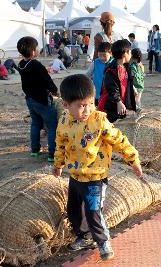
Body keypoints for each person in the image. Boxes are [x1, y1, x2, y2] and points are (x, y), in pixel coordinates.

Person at [52, 74, 142, 261]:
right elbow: (60, 143)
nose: (87, 110)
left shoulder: (99, 121)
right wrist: (58, 164)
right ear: (66, 104)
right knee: (74, 210)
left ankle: (103, 241)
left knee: (94, 212)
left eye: (90, 103)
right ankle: (84, 236)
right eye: (81, 105)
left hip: (95, 177)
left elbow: (119, 140)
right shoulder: (63, 121)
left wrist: (133, 159)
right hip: (75, 176)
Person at [17, 36, 58, 162]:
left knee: (35, 123)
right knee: (52, 126)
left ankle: (35, 150)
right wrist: (56, 91)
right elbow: (47, 80)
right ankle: (52, 154)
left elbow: (34, 75)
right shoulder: (36, 64)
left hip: (30, 99)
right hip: (42, 99)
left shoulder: (21, 64)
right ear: (33, 51)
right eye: (37, 46)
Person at [97, 39, 136, 123]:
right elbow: (111, 88)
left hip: (120, 105)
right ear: (125, 53)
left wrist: (133, 89)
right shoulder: (111, 70)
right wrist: (118, 101)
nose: (131, 54)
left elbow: (126, 83)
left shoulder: (126, 67)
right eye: (130, 52)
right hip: (109, 105)